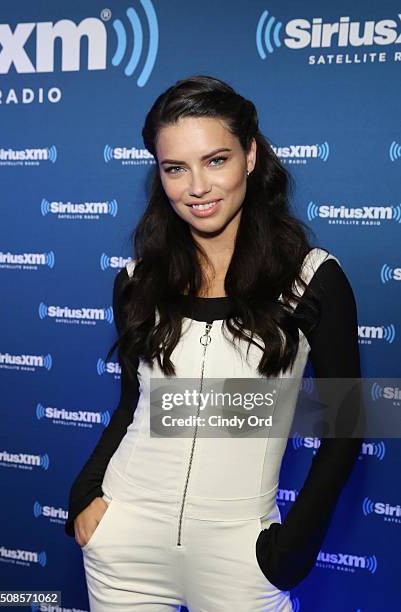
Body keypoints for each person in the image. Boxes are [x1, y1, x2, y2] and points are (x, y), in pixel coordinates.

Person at [65, 75, 364, 611]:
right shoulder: (138, 279)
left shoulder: (313, 279)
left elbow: (346, 432)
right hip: (125, 542)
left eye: (216, 160)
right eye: (174, 168)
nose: (196, 187)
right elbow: (134, 406)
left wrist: (293, 549)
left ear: (250, 155)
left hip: (241, 553)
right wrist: (86, 496)